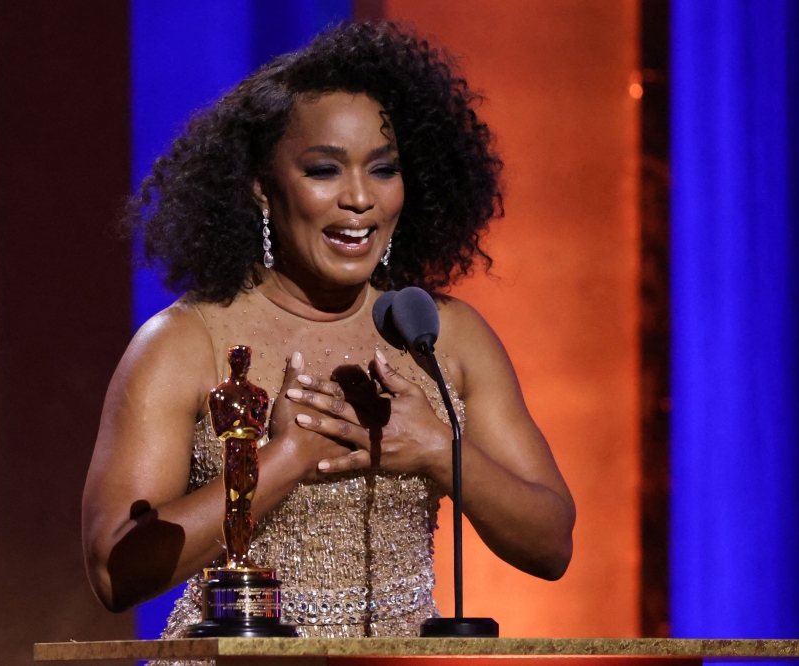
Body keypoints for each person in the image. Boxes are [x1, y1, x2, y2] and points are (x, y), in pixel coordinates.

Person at [81, 21, 575, 639]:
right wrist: (286, 457)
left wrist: (436, 452)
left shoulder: (443, 337)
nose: (360, 199)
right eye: (324, 170)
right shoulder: (185, 342)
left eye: (384, 169)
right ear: (264, 187)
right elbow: (112, 572)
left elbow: (552, 543)